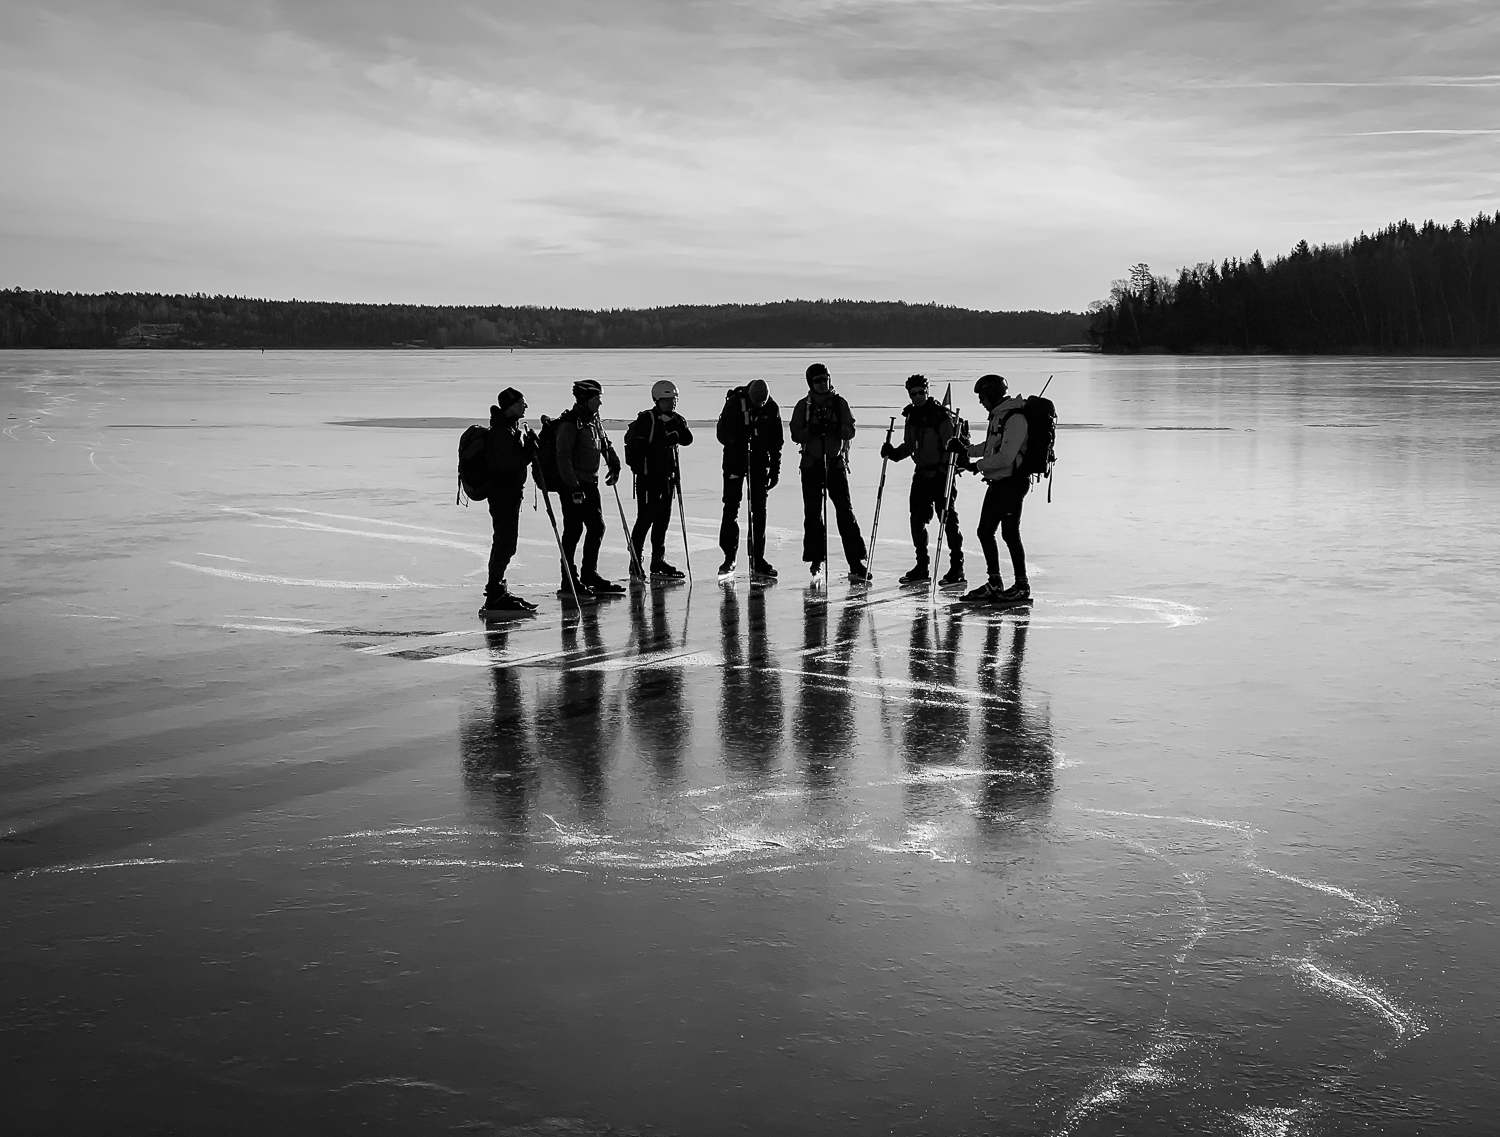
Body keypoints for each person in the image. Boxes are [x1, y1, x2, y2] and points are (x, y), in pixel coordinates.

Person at [880, 373, 966, 586]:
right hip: (921, 475)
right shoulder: (911, 417)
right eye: (913, 393)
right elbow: (909, 447)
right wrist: (893, 453)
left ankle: (957, 567)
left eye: (921, 392)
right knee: (917, 520)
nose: (918, 396)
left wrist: (947, 471)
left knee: (948, 521)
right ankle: (922, 566)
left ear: (927, 392)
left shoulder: (940, 416)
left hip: (941, 475)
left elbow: (950, 445)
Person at [953, 373, 1030, 603]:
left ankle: (1022, 585)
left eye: (982, 396)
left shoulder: (1015, 418)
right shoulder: (999, 416)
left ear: (993, 396)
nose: (980, 401)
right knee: (985, 532)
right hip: (998, 482)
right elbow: (991, 446)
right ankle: (995, 582)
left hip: (1013, 483)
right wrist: (967, 451)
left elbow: (1006, 457)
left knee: (1009, 533)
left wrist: (975, 466)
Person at [789, 363, 869, 581]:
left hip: (835, 465)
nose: (823, 384)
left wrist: (835, 428)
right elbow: (795, 433)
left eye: (826, 379)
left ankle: (856, 562)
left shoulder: (839, 403)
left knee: (845, 512)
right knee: (813, 513)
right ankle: (817, 559)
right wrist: (811, 431)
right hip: (811, 466)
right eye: (818, 381)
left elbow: (850, 430)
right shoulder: (803, 406)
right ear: (810, 383)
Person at [554, 378, 624, 599]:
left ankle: (589, 575)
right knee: (573, 531)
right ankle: (569, 580)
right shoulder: (570, 423)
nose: (600, 403)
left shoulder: (594, 421)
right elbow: (562, 457)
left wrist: (613, 462)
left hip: (590, 483)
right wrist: (573, 486)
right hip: (573, 485)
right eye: (597, 399)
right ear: (585, 400)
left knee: (596, 527)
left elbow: (604, 443)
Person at [623, 380, 693, 579]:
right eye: (667, 400)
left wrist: (674, 429)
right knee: (645, 519)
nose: (672, 403)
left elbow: (687, 438)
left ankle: (657, 560)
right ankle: (635, 560)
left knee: (662, 520)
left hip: (667, 478)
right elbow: (641, 450)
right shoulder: (647, 420)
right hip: (647, 478)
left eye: (674, 400)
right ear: (657, 400)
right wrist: (664, 441)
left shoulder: (675, 419)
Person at [715, 377, 783, 577]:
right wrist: (737, 439)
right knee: (731, 508)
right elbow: (721, 434)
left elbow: (777, 442)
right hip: (735, 462)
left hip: (759, 464)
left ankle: (757, 559)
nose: (759, 406)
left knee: (758, 510)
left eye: (762, 403)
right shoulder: (735, 403)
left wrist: (775, 469)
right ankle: (729, 557)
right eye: (757, 403)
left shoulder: (771, 408)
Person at [479, 387, 539, 614]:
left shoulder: (510, 428)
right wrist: (528, 452)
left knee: (506, 542)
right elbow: (504, 465)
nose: (526, 406)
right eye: (522, 402)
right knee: (505, 542)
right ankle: (494, 593)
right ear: (510, 405)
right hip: (502, 494)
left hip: (509, 493)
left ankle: (497, 590)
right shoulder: (501, 432)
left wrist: (528, 447)